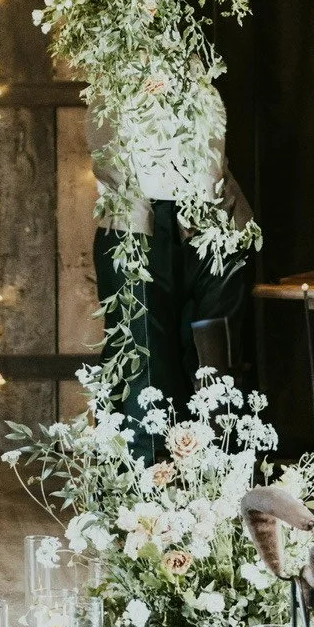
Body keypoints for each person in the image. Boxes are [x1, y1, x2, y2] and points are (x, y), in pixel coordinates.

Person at [87, 95, 251, 437]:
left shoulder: (194, 74)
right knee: (137, 349)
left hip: (210, 223)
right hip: (136, 225)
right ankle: (138, 466)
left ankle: (216, 463)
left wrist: (200, 210)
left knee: (213, 351)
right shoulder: (112, 81)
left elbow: (211, 152)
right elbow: (108, 159)